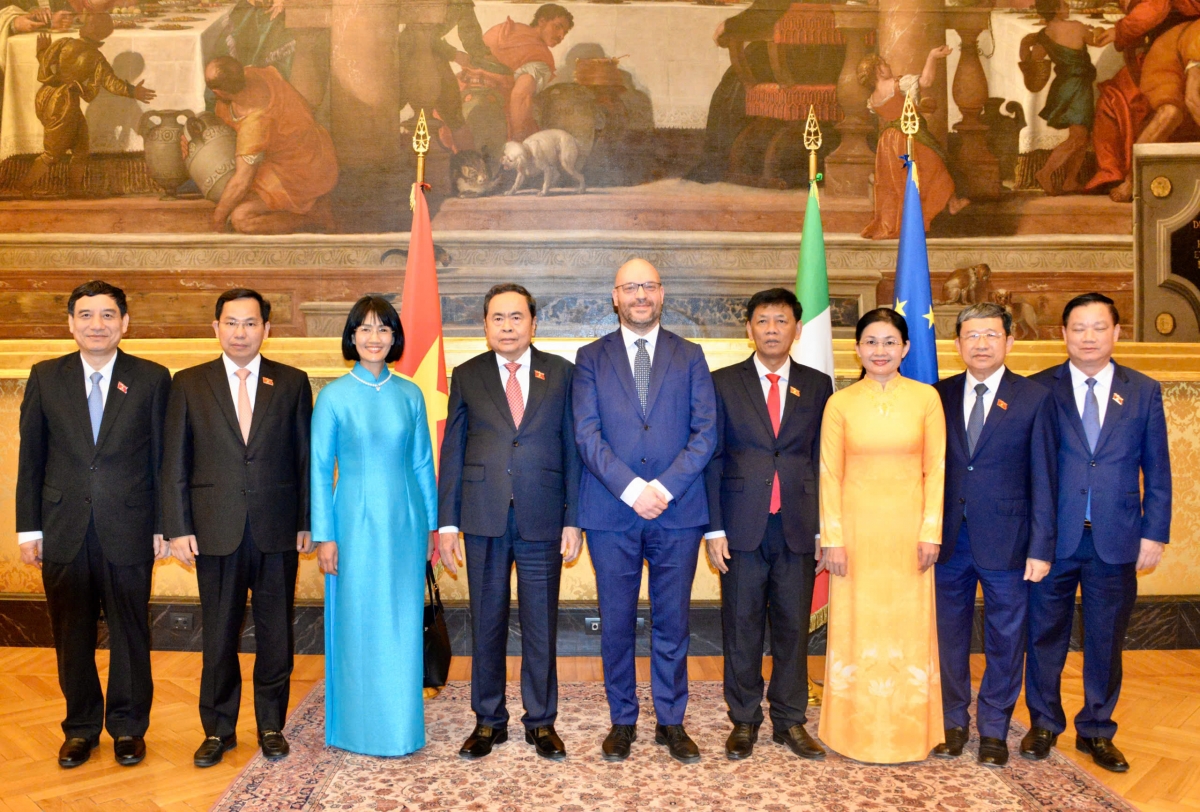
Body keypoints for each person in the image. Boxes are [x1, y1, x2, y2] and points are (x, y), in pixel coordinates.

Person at [15, 281, 170, 769]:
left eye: (107, 315)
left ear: (124, 323)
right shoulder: (45, 376)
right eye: (86, 315)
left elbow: (165, 460)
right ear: (71, 323)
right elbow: (31, 458)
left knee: (130, 632)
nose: (96, 325)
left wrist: (165, 525)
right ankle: (80, 728)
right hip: (63, 527)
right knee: (71, 634)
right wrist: (28, 529)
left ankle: (127, 728)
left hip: (130, 525)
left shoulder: (152, 378)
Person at [573, 258, 717, 764]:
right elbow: (586, 435)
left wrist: (665, 488)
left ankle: (672, 722)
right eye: (631, 287)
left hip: (677, 513)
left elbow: (706, 434)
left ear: (662, 293)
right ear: (615, 296)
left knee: (673, 621)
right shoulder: (589, 357)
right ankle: (622, 720)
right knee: (614, 621)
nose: (640, 295)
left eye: (649, 286)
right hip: (612, 512)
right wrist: (633, 489)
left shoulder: (691, 355)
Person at [161, 288, 313, 768]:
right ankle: (218, 730)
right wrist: (178, 527)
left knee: (276, 636)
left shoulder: (291, 382)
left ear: (267, 329)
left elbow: (305, 459)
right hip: (214, 531)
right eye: (231, 323)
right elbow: (174, 464)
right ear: (216, 328)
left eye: (250, 323)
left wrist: (307, 521)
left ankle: (271, 726)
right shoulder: (188, 383)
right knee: (220, 635)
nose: (241, 332)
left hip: (276, 531)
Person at [1023, 292, 1171, 772]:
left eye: (1098, 327)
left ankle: (1097, 730)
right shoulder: (1038, 389)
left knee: (1107, 638)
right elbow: (1030, 470)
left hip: (1118, 535)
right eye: (1078, 328)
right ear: (1062, 334)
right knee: (1045, 635)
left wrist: (1155, 532)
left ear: (1117, 333)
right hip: (1054, 538)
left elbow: (1159, 469)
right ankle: (1044, 723)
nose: (1088, 336)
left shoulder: (1144, 390)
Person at [437, 283, 583, 761]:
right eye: (497, 318)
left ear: (533, 323)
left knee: (541, 624)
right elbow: (453, 451)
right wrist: (447, 524)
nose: (506, 326)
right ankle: (488, 721)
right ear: (484, 325)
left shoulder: (561, 374)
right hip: (482, 518)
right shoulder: (467, 374)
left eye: (515, 317)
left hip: (544, 518)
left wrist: (573, 519)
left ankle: (541, 722)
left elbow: (573, 451)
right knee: (487, 623)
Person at [703, 288, 833, 761]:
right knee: (741, 625)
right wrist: (713, 529)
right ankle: (744, 719)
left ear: (796, 329)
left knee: (794, 628)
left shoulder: (818, 385)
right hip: (740, 526)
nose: (772, 329)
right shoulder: (723, 383)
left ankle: (790, 720)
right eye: (763, 320)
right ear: (749, 328)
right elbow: (712, 461)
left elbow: (824, 460)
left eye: (781, 321)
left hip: (799, 524)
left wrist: (826, 527)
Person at [931, 303, 1057, 767]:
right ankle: (952, 723)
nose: (980, 344)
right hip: (948, 540)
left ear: (1009, 340)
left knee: (1007, 637)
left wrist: (1042, 547)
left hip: (1010, 541)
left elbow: (1045, 476)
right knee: (949, 636)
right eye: (971, 336)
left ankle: (993, 730)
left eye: (990, 335)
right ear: (957, 343)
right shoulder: (937, 395)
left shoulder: (1034, 397)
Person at [310, 296, 437, 756]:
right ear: (351, 337)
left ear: (394, 337)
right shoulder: (333, 396)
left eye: (383, 329)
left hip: (406, 522)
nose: (374, 338)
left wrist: (432, 528)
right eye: (364, 329)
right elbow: (321, 470)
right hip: (352, 524)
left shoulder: (410, 394)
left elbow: (423, 464)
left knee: (402, 623)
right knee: (357, 621)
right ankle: (357, 728)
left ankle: (401, 727)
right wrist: (325, 535)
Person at [818, 307, 945, 764]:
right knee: (855, 628)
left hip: (910, 534)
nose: (880, 351)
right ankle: (851, 733)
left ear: (906, 348)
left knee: (910, 630)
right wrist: (832, 538)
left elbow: (938, 469)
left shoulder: (927, 399)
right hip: (855, 534)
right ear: (856, 349)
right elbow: (829, 475)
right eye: (871, 341)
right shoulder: (840, 403)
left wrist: (932, 531)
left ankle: (914, 733)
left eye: (890, 342)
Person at [18, 13, 156, 198]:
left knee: (81, 147)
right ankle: (24, 186)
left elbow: (47, 64)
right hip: (62, 105)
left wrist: (41, 52)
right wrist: (132, 91)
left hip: (52, 99)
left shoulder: (64, 43)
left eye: (86, 22)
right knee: (53, 153)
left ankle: (74, 189)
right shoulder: (96, 57)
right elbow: (111, 82)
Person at [205, 56, 338, 234]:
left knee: (241, 219)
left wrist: (217, 221)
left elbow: (241, 182)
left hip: (300, 172)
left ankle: (313, 217)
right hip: (312, 149)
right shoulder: (253, 74)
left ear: (219, 92)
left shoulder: (255, 123)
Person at [858, 47, 969, 240]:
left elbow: (895, 111)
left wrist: (917, 107)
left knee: (899, 182)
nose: (888, 65)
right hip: (908, 136)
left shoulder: (872, 99)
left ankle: (925, 213)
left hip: (888, 143)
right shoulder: (897, 84)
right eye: (884, 64)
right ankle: (950, 204)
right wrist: (932, 56)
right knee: (936, 166)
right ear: (877, 70)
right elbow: (926, 81)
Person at [1026, 0, 1106, 195]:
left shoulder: (1043, 35)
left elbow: (1035, 59)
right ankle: (1045, 173)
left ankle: (1070, 181)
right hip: (1078, 87)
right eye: (1063, 4)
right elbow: (1098, 41)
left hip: (1062, 87)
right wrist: (1097, 30)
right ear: (1055, 8)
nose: (1068, 7)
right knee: (1078, 137)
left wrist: (1027, 43)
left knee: (1082, 135)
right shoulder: (1077, 27)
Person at [481, 4, 573, 141]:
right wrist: (519, 138)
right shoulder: (541, 56)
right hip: (498, 111)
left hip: (466, 95)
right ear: (542, 21)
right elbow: (522, 93)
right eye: (557, 27)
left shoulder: (506, 28)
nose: (561, 36)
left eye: (565, 33)